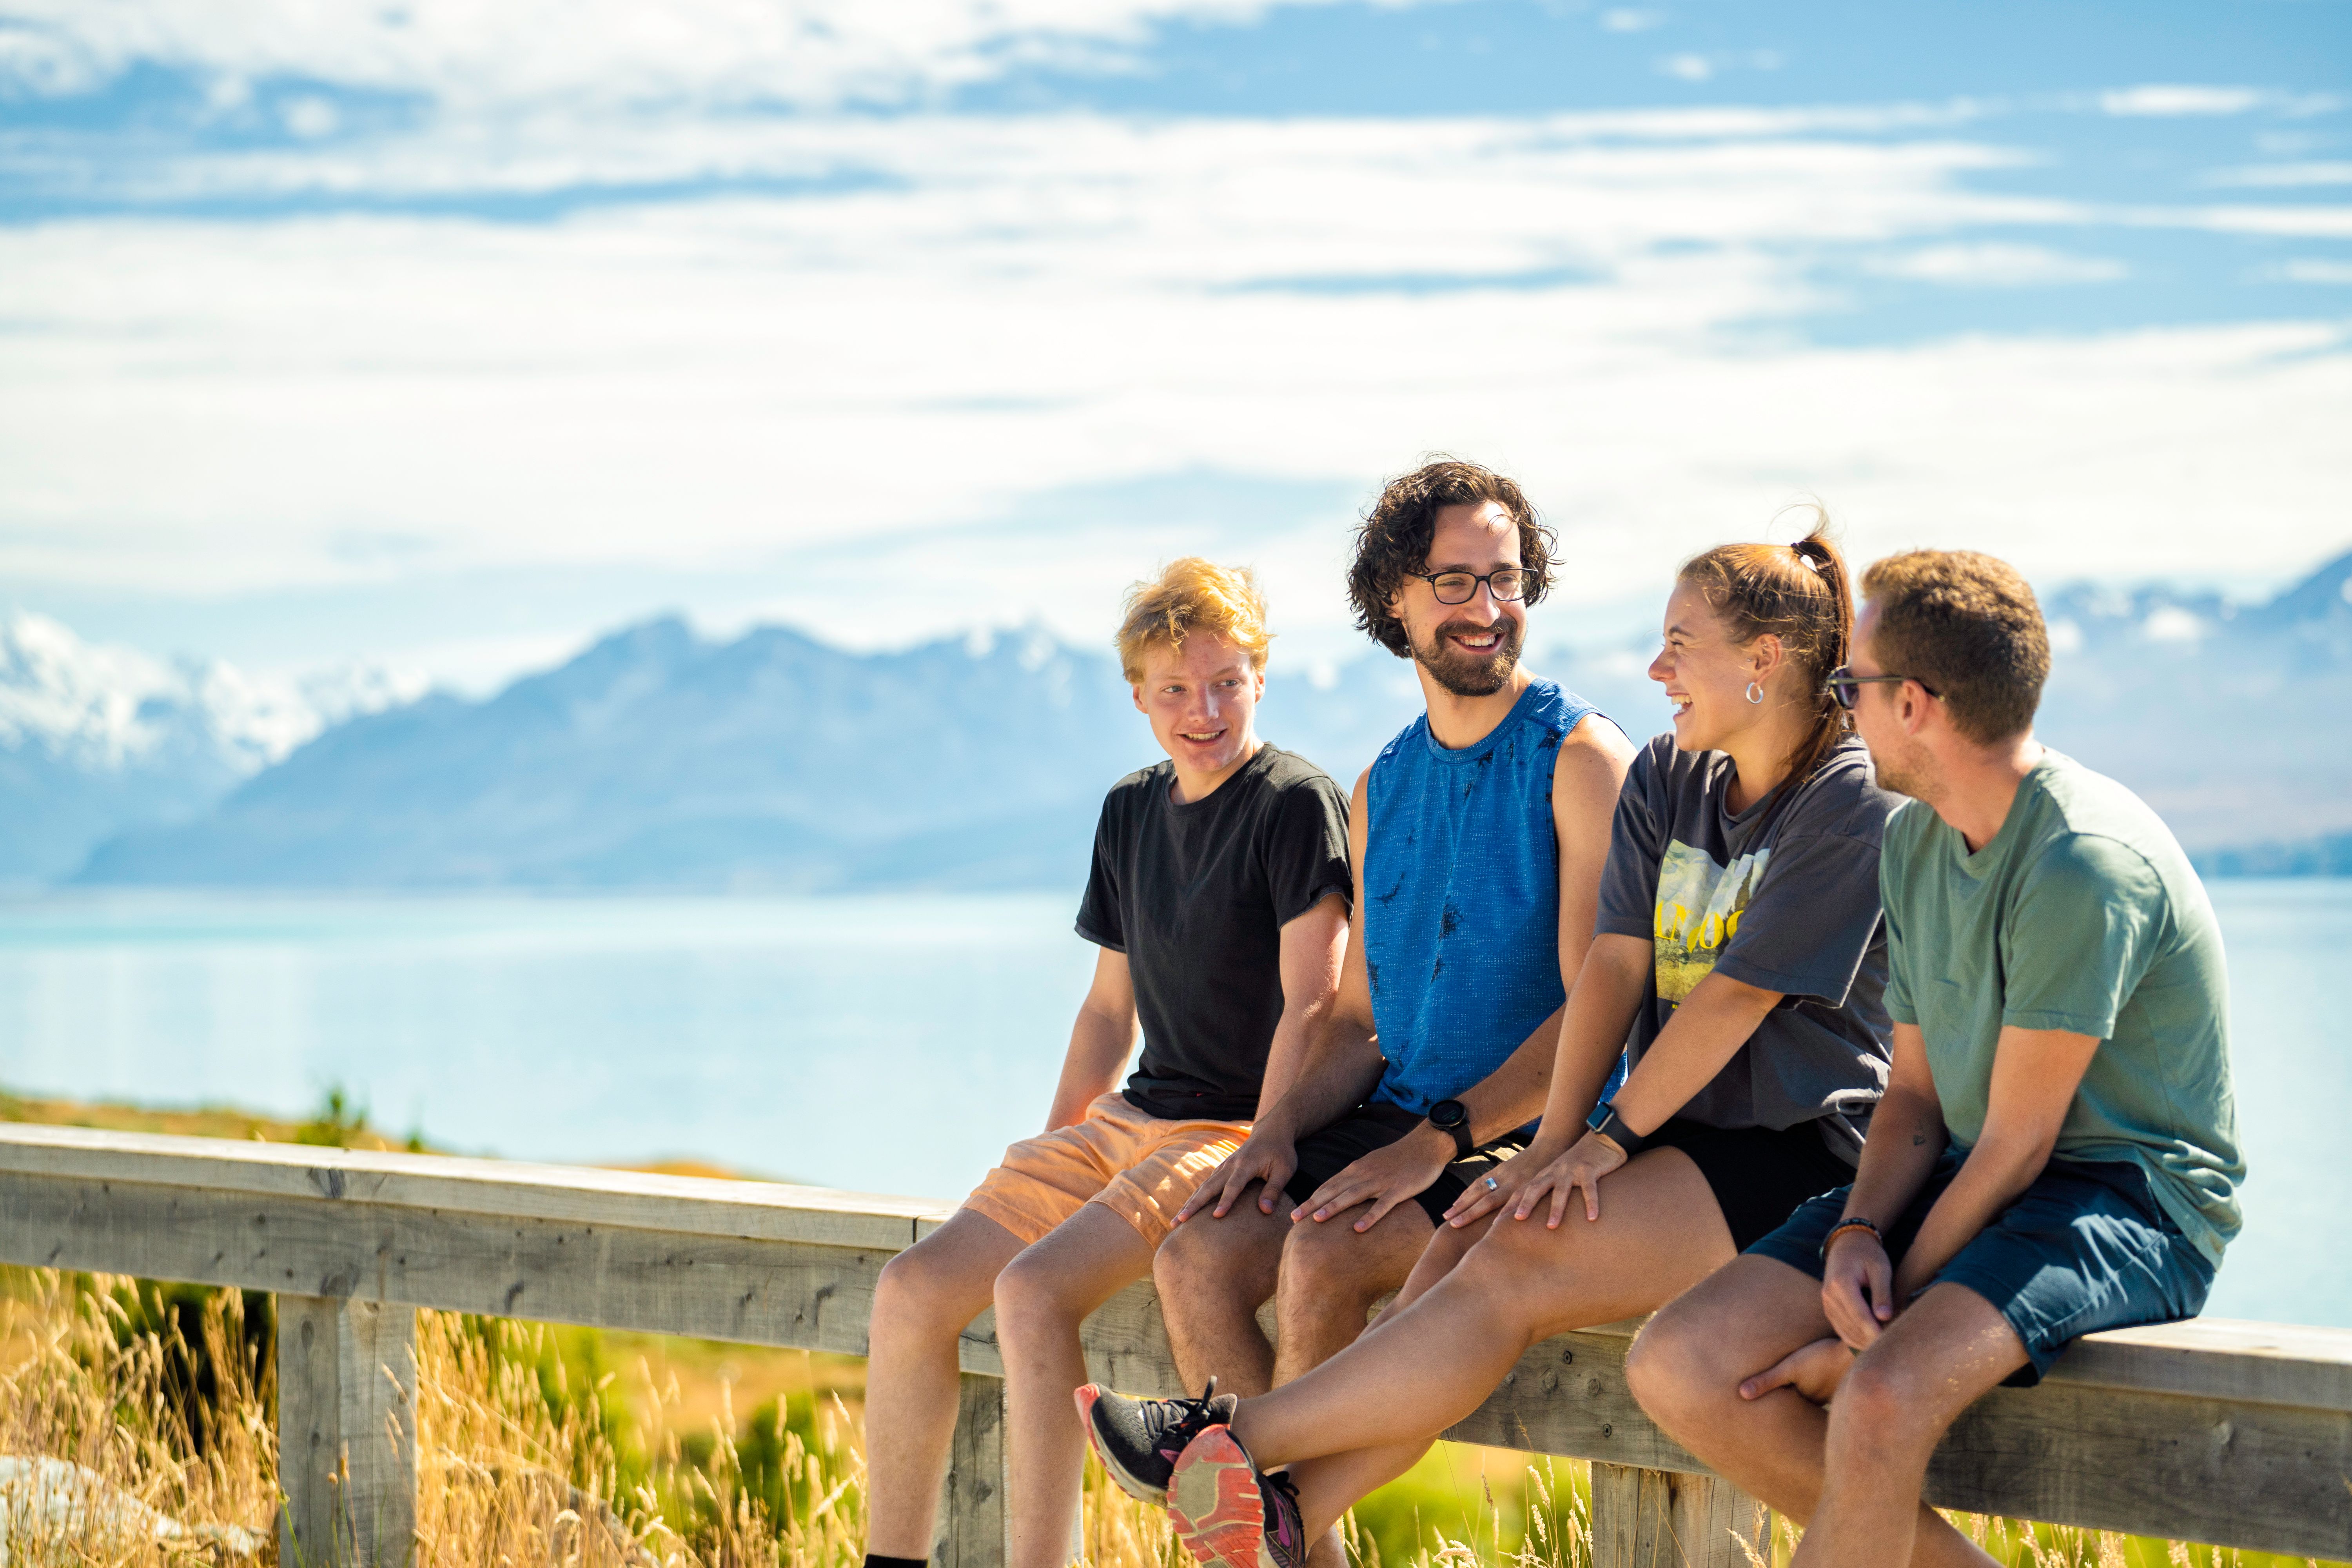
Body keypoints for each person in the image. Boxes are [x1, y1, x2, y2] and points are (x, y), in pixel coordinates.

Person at [1082, 519, 1903, 1568]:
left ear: (1763, 661)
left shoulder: (1844, 796)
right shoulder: (1666, 773)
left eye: (1679, 645)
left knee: (1492, 1265)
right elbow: (1613, 965)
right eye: (1455, 581)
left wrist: (1585, 1142)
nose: (1655, 668)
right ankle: (1285, 1514)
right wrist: (1561, 1140)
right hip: (1671, 1129)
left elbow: (1731, 1000)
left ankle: (1231, 1443)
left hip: (1799, 1147)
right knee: (1464, 1248)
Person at [1623, 549, 2243, 1568]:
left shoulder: (2081, 867)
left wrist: (1881, 1305)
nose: (1839, 708)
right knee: (1684, 1364)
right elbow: (1912, 1093)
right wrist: (1861, 1228)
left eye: (1850, 687)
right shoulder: (1914, 841)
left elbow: (2018, 1143)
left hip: (2127, 1198)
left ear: (1914, 704)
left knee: (1880, 1394)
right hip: (1970, 1169)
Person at [859, 559, 1354, 1568]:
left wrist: (1269, 1139)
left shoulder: (1295, 802)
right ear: (1138, 695)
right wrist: (1057, 1136)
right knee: (911, 1290)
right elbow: (1105, 1009)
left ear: (1261, 673)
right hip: (1127, 1119)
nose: (1202, 709)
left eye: (1225, 681)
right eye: (1174, 689)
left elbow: (1317, 1000)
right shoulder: (1130, 809)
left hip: (1229, 1130)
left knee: (1033, 1290)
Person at [1144, 461, 1633, 1482]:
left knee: (1322, 1255)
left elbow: (1604, 1016)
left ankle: (1262, 1511)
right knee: (1194, 1254)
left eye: (1505, 579)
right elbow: (1358, 1018)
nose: (1486, 609)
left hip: (1533, 1137)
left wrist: (1437, 1141)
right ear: (1394, 601)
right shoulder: (1384, 785)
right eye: (1454, 583)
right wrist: (1272, 1132)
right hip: (1402, 1123)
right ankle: (1280, 1530)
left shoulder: (1582, 761)